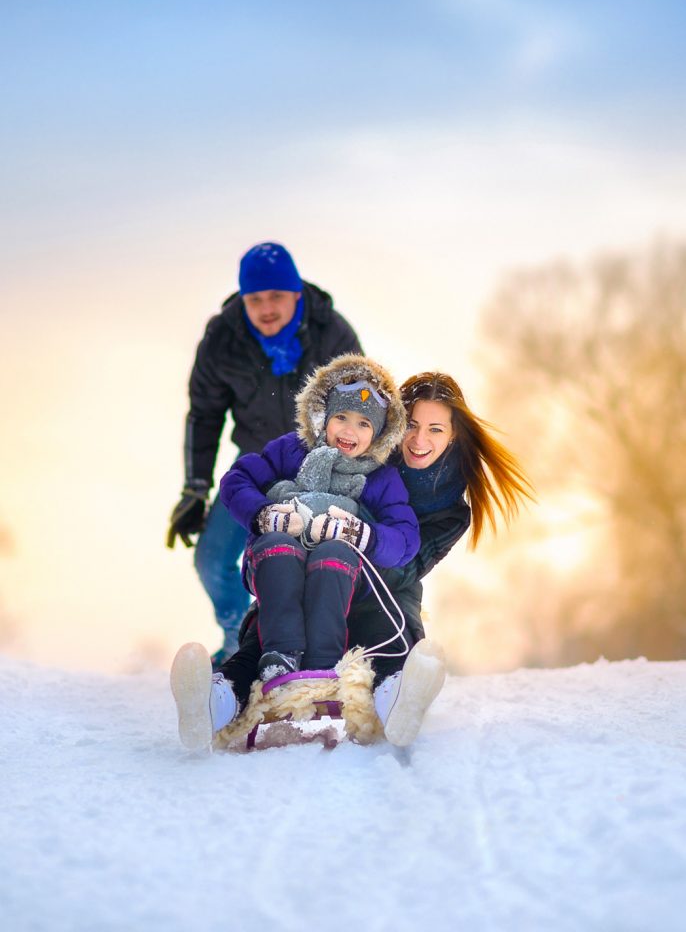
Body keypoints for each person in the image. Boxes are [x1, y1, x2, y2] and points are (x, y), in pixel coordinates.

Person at [170, 353, 420, 749]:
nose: (349, 431)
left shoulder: (380, 478)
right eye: (342, 417)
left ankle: (322, 666)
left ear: (380, 434)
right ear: (323, 416)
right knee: (278, 544)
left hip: (341, 580)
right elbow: (238, 479)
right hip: (276, 565)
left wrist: (362, 534)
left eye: (364, 423)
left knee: (333, 551)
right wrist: (263, 514)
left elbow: (405, 538)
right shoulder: (291, 450)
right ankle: (245, 681)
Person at [166, 242, 362, 665]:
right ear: (243, 300)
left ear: (295, 293)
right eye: (255, 299)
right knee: (212, 559)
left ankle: (326, 651)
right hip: (257, 469)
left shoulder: (332, 332)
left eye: (276, 296)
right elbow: (204, 415)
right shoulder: (223, 338)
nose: (266, 308)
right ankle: (241, 637)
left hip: (322, 469)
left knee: (315, 561)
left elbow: (363, 407)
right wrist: (195, 488)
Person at [348, 370, 534, 744]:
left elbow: (409, 567)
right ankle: (227, 688)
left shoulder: (452, 509)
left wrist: (359, 565)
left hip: (388, 584)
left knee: (400, 617)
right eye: (413, 425)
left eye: (435, 429)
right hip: (329, 559)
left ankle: (398, 695)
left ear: (453, 436)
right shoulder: (368, 460)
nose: (419, 440)